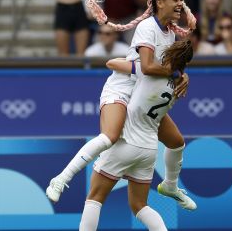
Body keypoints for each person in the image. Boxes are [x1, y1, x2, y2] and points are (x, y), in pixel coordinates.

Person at [46, 0, 197, 211]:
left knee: (176, 142)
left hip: (143, 96)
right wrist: (175, 74)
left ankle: (170, 186)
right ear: (160, 3)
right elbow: (147, 66)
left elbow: (166, 66)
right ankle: (61, 178)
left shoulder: (170, 32)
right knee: (110, 136)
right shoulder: (147, 26)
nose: (180, 4)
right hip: (122, 89)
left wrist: (182, 75)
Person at [79, 40, 194, 231]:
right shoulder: (178, 83)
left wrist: (146, 64)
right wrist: (180, 73)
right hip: (148, 149)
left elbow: (112, 64)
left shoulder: (147, 73)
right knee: (139, 205)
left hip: (127, 142)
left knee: (94, 198)